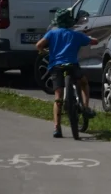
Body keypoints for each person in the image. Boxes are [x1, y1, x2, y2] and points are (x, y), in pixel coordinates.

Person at [35, 8, 98, 138]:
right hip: (72, 65)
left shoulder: (52, 33)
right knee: (84, 83)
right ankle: (85, 107)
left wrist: (44, 52)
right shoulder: (76, 34)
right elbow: (94, 41)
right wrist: (89, 37)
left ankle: (57, 128)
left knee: (58, 95)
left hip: (56, 66)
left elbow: (39, 45)